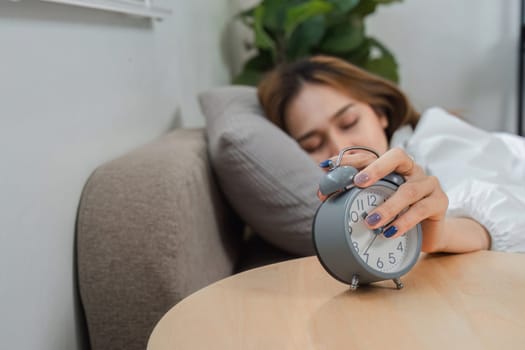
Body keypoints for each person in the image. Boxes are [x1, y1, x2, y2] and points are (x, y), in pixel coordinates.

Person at [257, 55, 525, 254]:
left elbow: (505, 217)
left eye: (349, 122)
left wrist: (442, 234)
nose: (340, 147)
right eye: (312, 144)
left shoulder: (435, 139)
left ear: (380, 113)